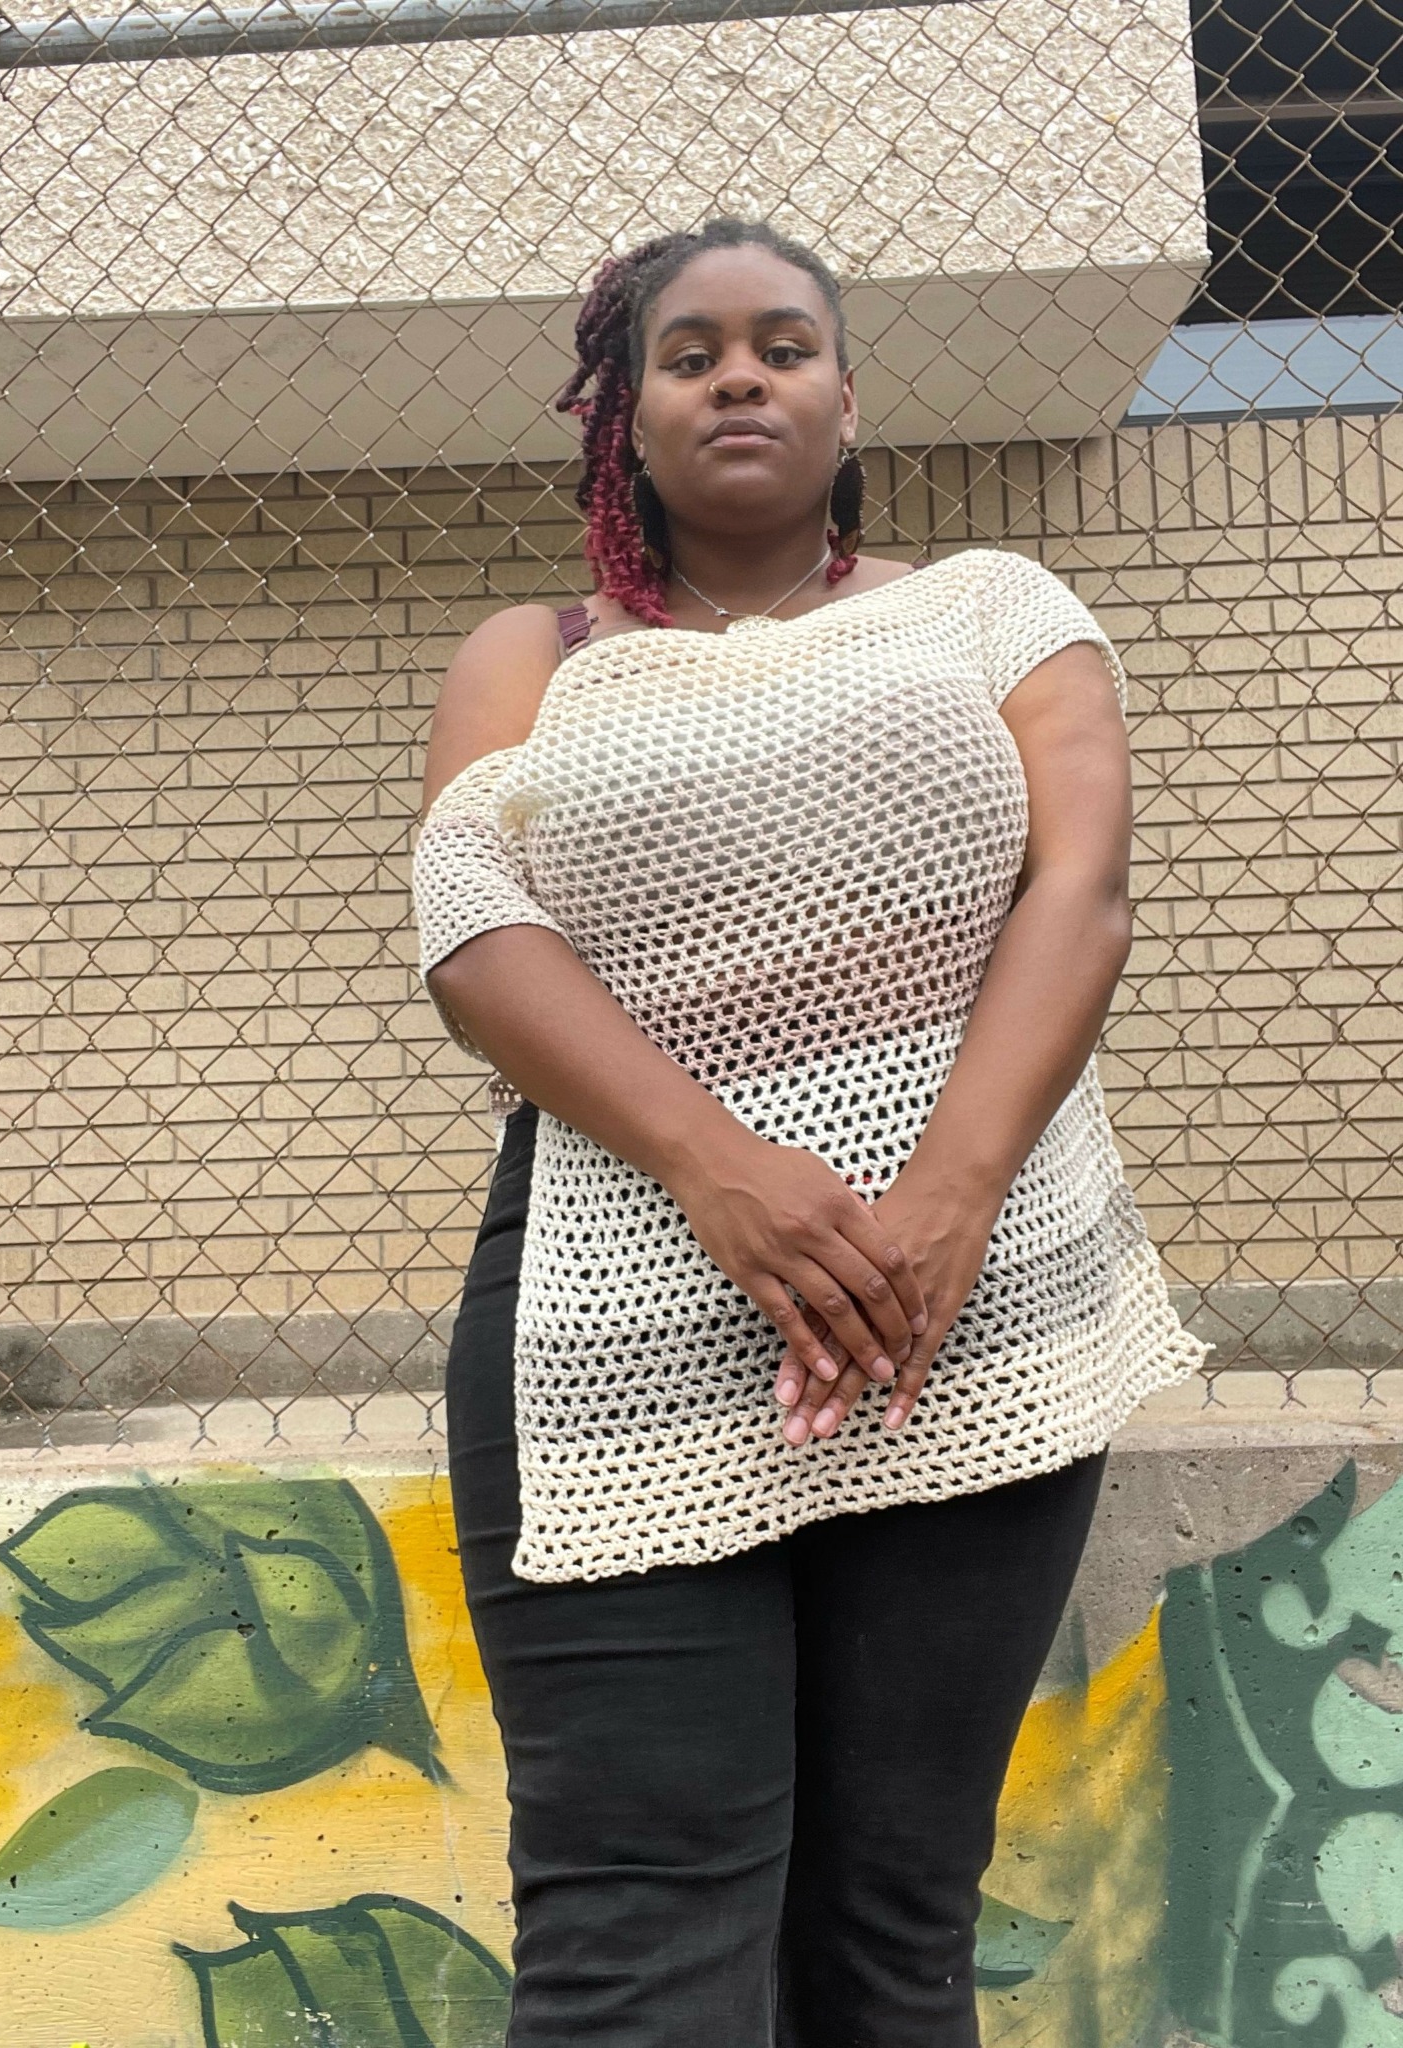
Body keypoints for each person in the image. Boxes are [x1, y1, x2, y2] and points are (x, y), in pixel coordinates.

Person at [410, 216, 1205, 2048]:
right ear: (627, 418)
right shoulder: (532, 654)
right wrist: (725, 1170)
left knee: (889, 1924)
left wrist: (945, 1206)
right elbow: (470, 921)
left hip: (968, 1315)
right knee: (636, 1931)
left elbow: (1079, 892)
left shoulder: (994, 608)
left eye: (783, 345)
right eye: (689, 356)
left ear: (849, 401)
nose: (740, 378)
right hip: (621, 1331)